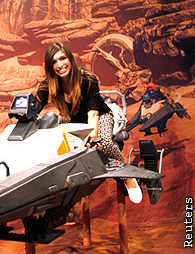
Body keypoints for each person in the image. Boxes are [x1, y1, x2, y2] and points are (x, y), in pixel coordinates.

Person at [35, 42, 142, 203]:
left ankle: (128, 177)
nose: (59, 65)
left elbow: (93, 113)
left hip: (99, 116)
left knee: (104, 143)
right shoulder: (48, 84)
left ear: (70, 59)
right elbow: (34, 107)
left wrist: (93, 138)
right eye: (54, 62)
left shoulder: (87, 79)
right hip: (70, 120)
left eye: (62, 58)